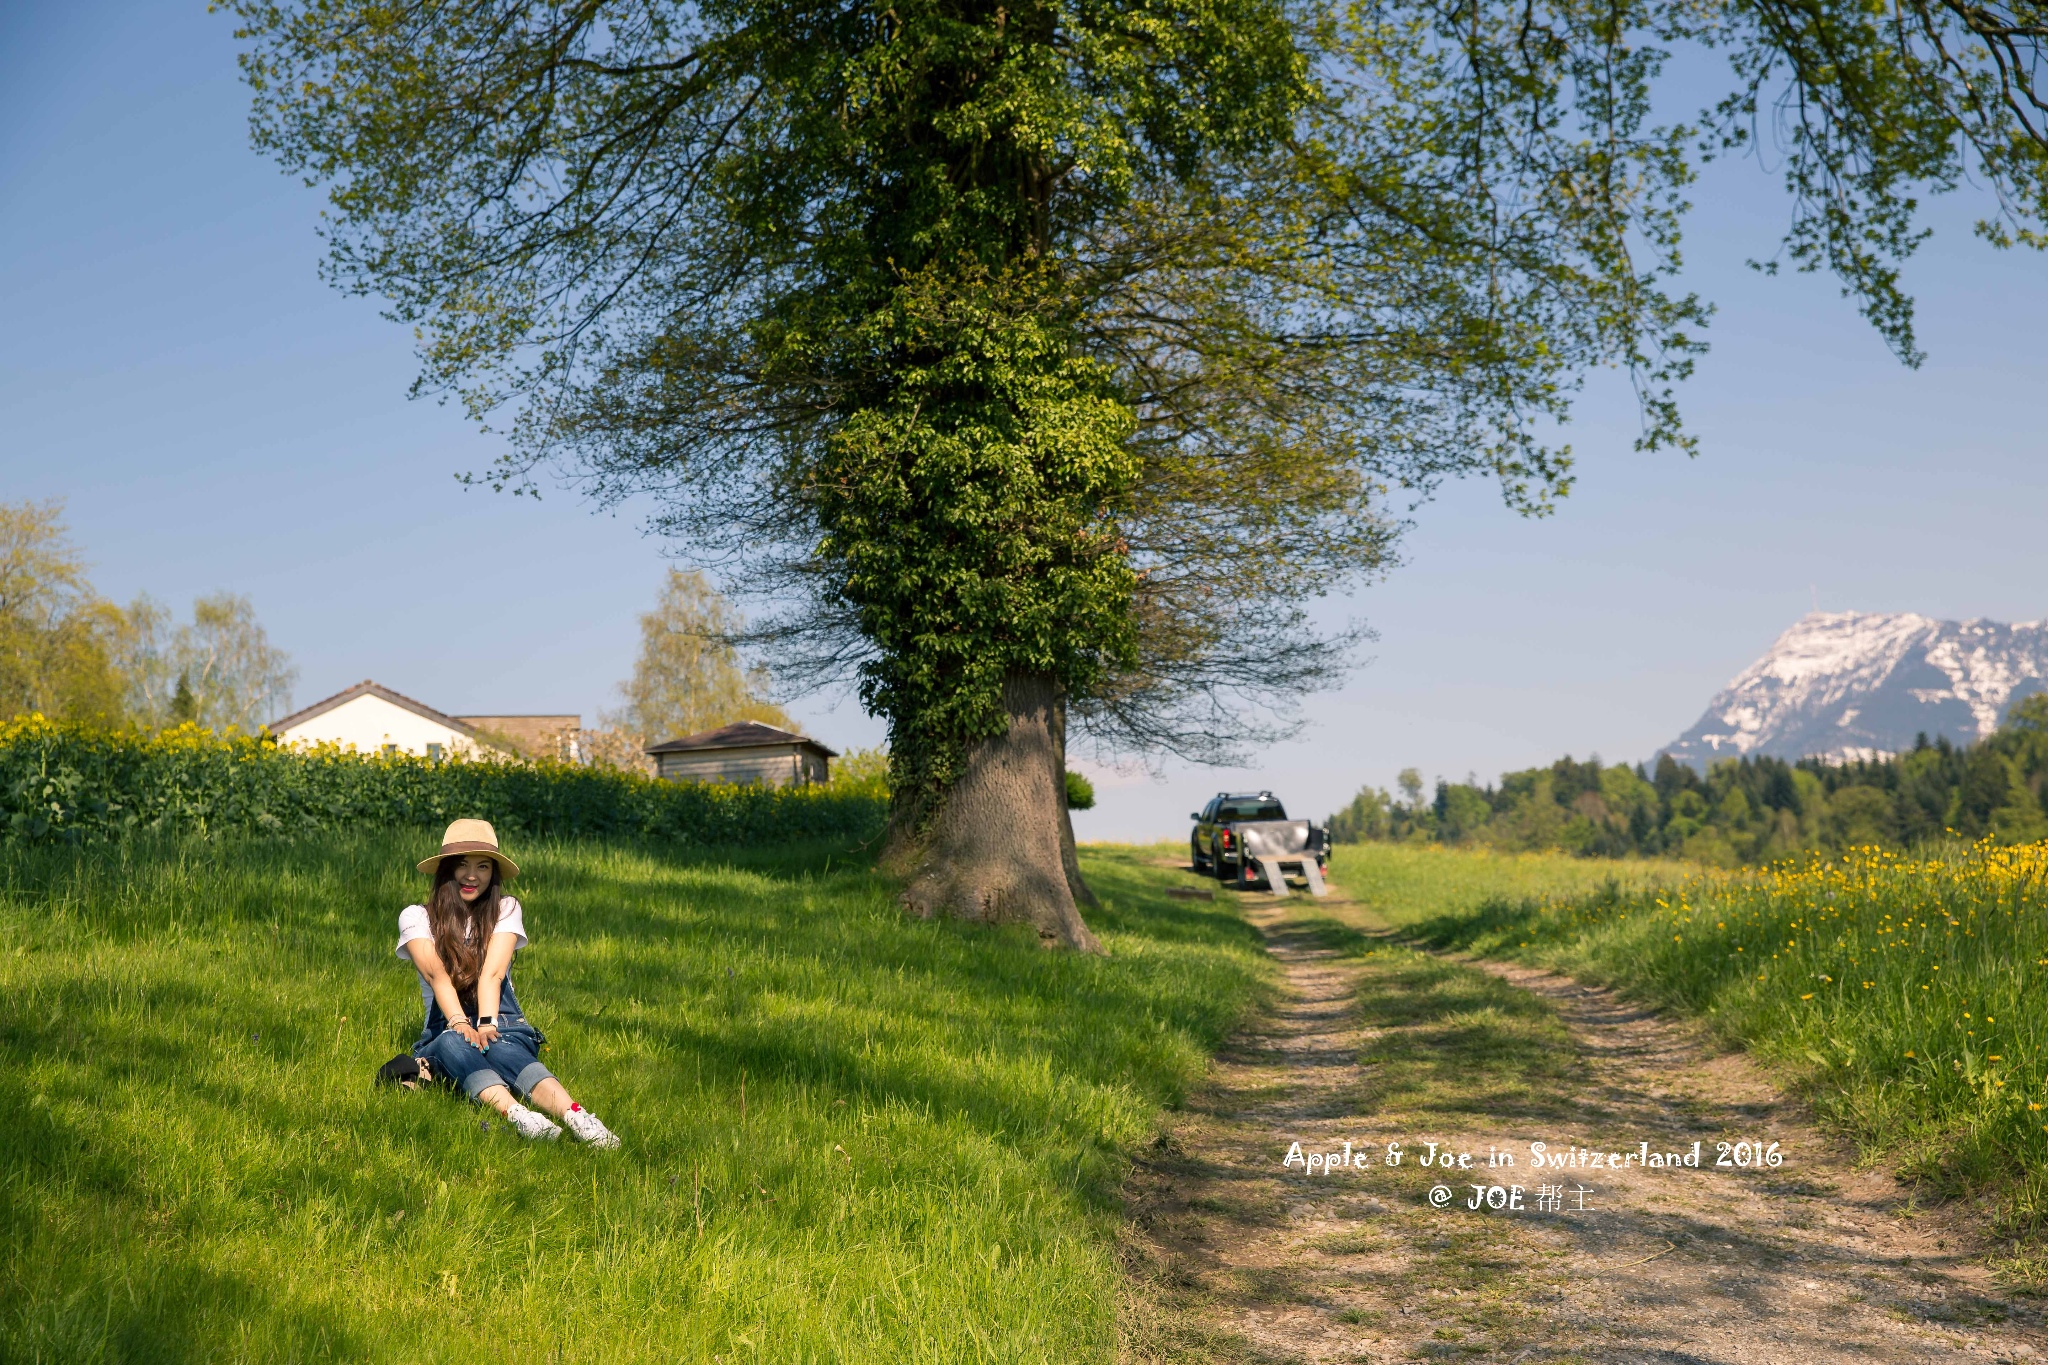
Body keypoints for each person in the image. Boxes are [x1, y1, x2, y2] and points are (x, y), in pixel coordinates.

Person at [397, 819, 620, 1147]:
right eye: (462, 865)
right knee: (449, 1044)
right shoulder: (416, 916)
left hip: (502, 1021)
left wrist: (486, 1024)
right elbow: (437, 975)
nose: (472, 875)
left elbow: (493, 973)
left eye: (483, 866)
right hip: (446, 1026)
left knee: (502, 1046)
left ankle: (577, 1115)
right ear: (445, 870)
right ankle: (518, 1115)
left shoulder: (506, 908)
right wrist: (460, 1023)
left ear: (493, 873)